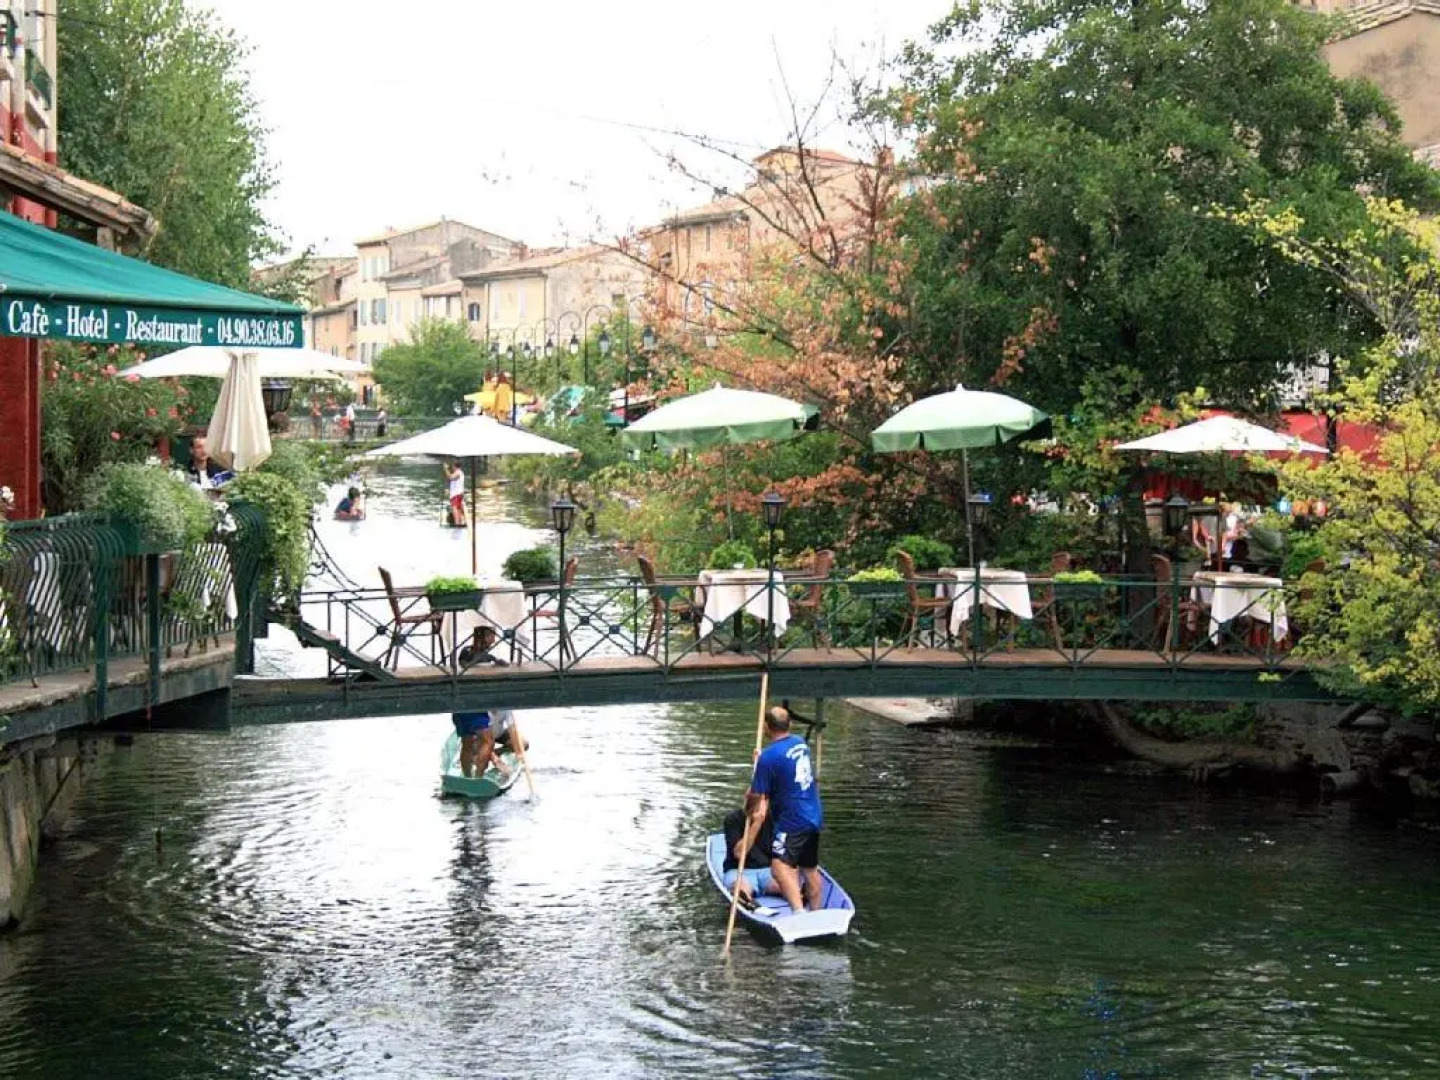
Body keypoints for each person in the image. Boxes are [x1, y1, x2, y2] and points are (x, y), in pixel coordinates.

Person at [741, 705, 824, 913]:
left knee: (779, 868)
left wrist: (749, 810)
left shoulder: (767, 758)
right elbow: (783, 768)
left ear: (767, 728)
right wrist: (761, 763)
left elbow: (757, 795)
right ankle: (816, 911)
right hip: (813, 816)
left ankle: (799, 913)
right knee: (809, 868)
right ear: (790, 725)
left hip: (792, 820)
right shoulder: (800, 743)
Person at [722, 803, 779, 908]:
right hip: (739, 870)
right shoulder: (733, 819)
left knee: (782, 884)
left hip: (768, 870)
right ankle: (747, 902)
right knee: (740, 887)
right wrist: (757, 823)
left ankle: (799, 895)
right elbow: (739, 853)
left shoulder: (776, 818)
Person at [444, 461, 467, 527]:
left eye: (453, 466)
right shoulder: (460, 472)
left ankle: (457, 524)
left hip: (456, 494)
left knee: (455, 509)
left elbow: (450, 478)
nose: (452, 468)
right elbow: (450, 479)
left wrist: (446, 469)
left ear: (455, 466)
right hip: (459, 493)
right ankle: (459, 523)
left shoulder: (458, 472)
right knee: (458, 509)